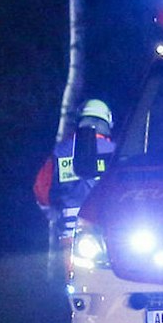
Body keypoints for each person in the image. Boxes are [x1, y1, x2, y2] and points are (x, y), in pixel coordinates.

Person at [38, 100, 117, 243]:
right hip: (109, 227)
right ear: (107, 122)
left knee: (72, 265)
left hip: (69, 230)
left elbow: (41, 190)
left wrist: (53, 214)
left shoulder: (60, 151)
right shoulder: (116, 152)